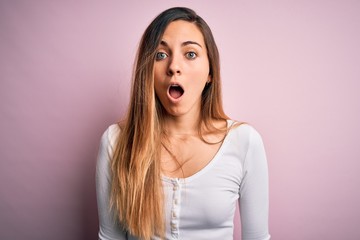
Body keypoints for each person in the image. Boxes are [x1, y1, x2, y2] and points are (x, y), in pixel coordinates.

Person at [96, 7, 270, 240]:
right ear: (147, 71)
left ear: (210, 72)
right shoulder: (116, 142)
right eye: (160, 54)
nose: (173, 67)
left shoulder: (244, 142)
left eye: (190, 54)